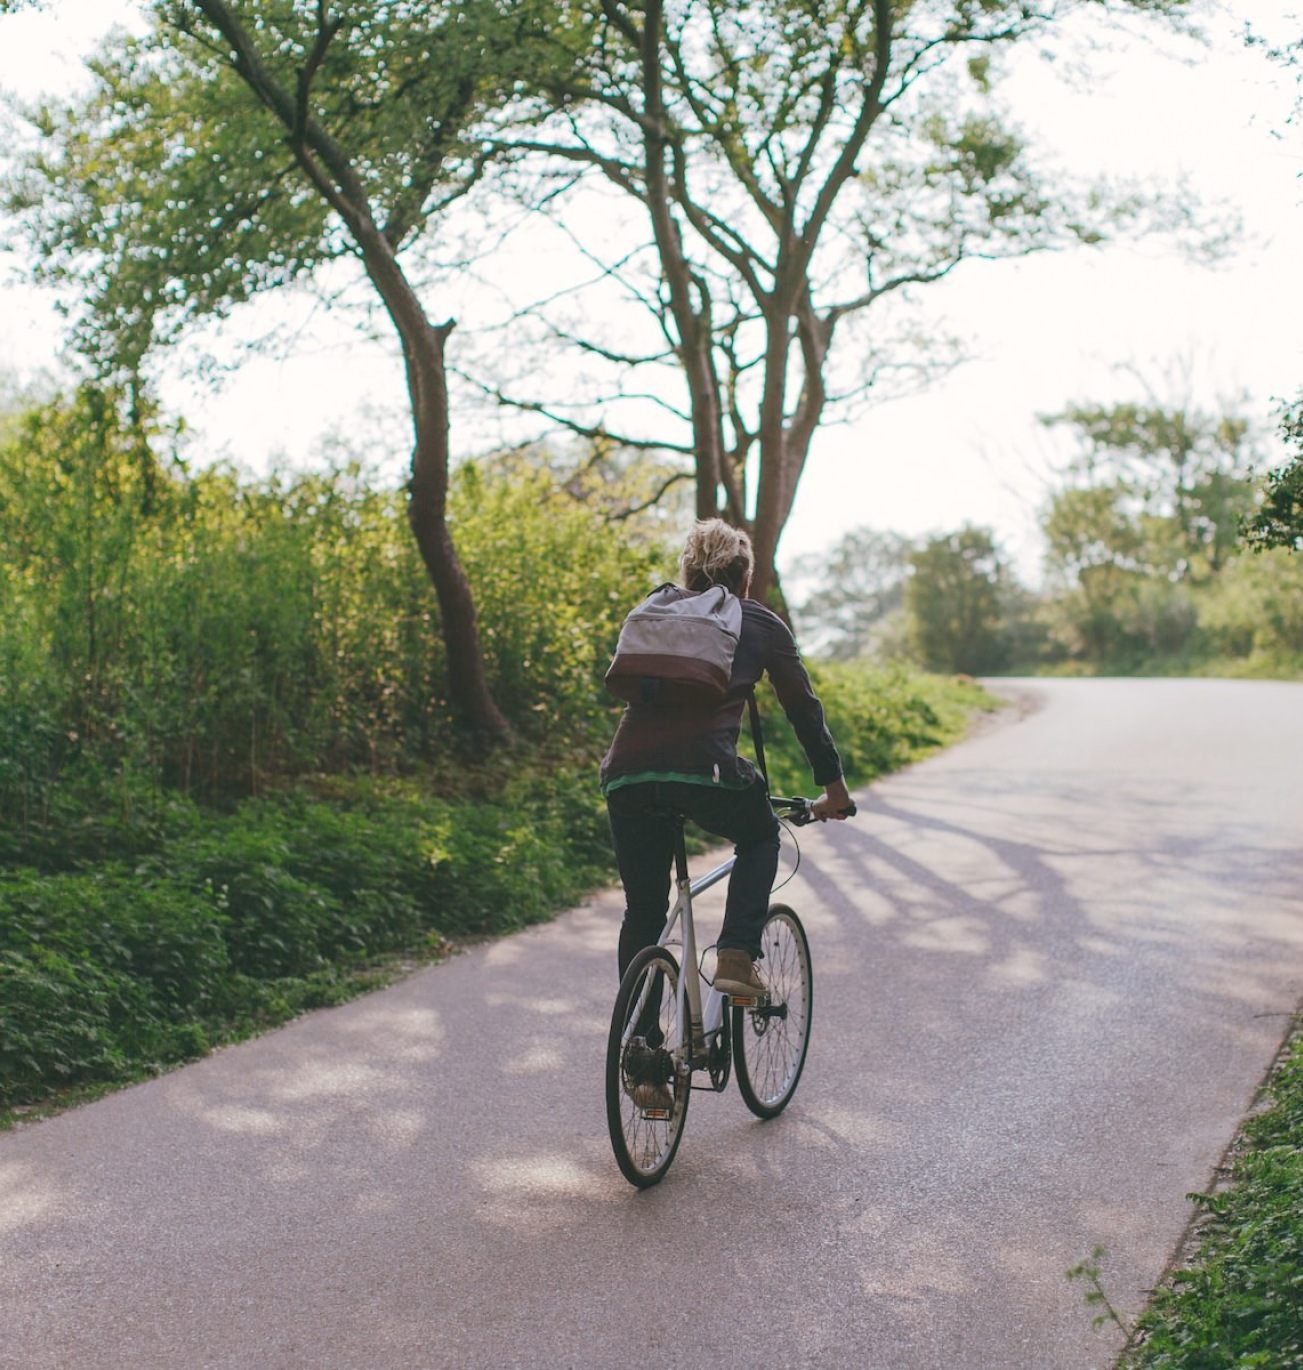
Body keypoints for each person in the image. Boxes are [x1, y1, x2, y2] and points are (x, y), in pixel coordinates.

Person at [600, 518, 852, 1010]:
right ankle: (736, 955)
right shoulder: (757, 621)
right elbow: (804, 710)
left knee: (644, 911)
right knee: (760, 835)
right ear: (745, 580)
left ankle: (642, 1054)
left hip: (626, 775)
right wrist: (835, 792)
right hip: (707, 775)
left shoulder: (657, 608)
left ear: (687, 574)